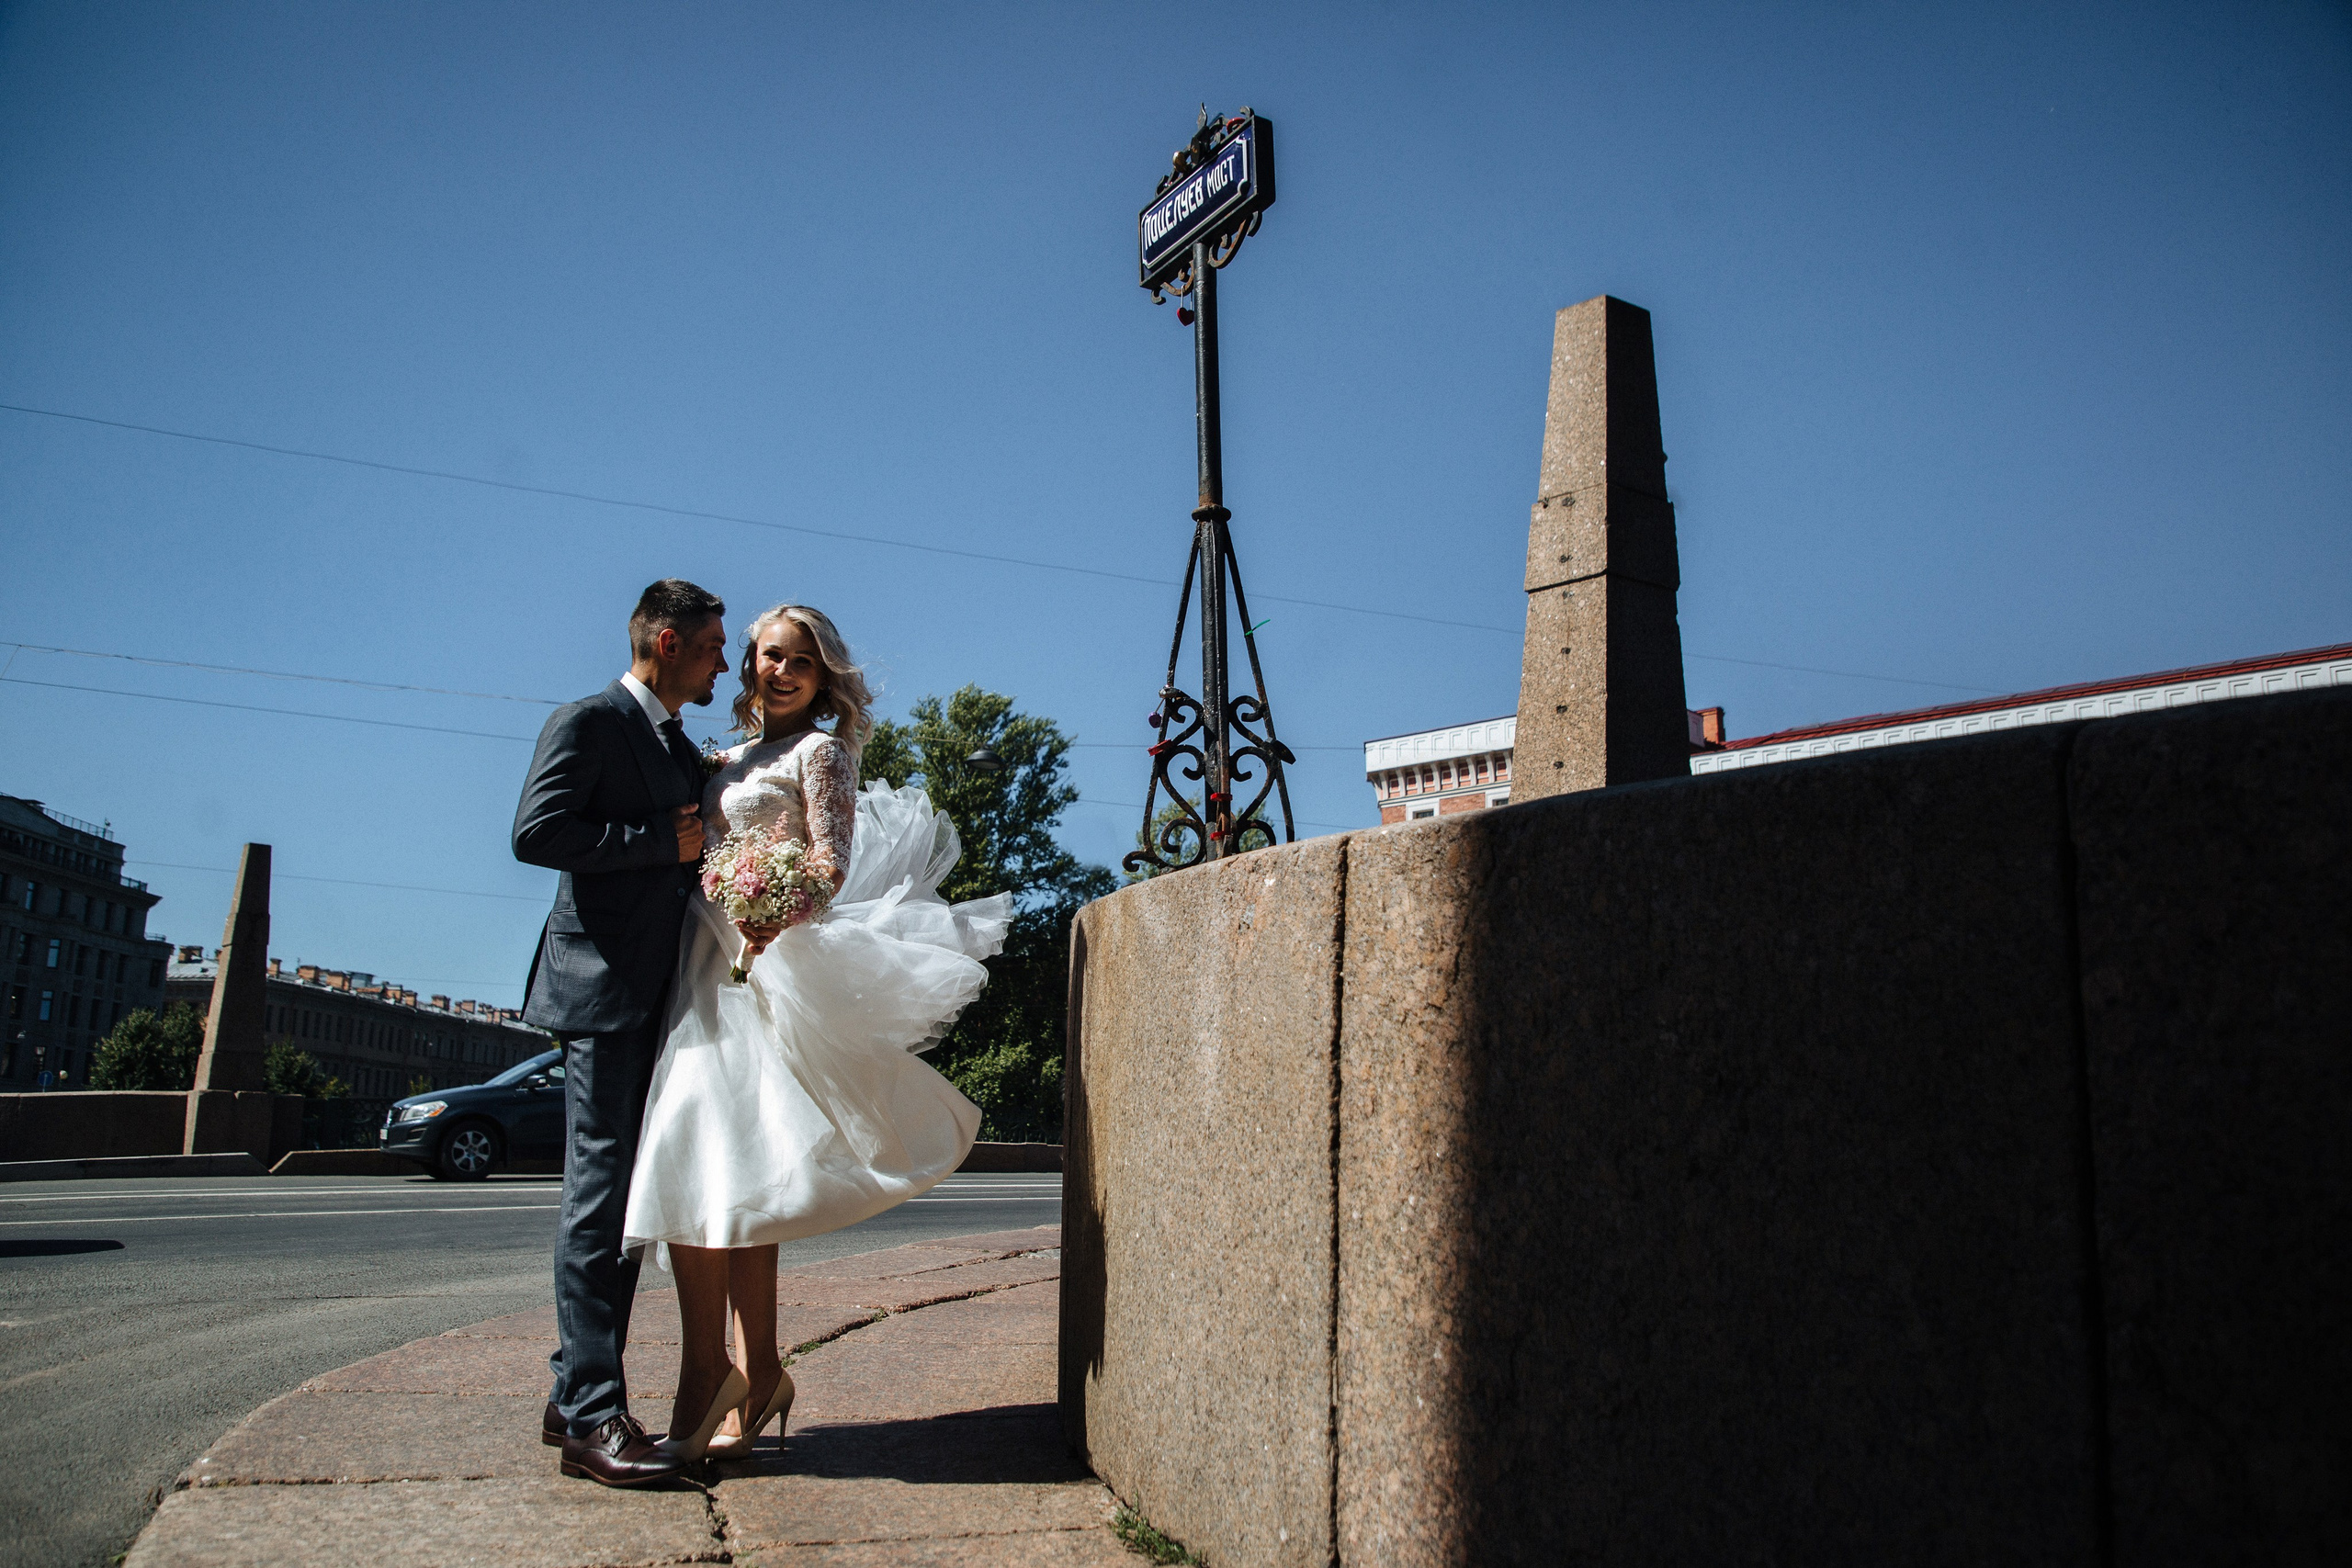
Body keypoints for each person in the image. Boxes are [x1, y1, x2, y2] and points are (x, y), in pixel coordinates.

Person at [622, 603, 1009, 1462]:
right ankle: (759, 1375)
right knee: (739, 1175)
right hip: (700, 965)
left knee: (706, 1159)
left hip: (765, 968)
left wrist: (767, 907)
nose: (781, 671)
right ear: (751, 667)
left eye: (801, 660)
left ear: (823, 674)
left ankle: (706, 1374)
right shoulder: (718, 759)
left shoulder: (819, 752)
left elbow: (829, 867)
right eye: (767, 657)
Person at [513, 579, 729, 1488]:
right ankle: (595, 1421)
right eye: (715, 645)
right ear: (669, 643)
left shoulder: (680, 746)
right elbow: (537, 831)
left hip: (661, 995)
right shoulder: (590, 720)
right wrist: (656, 839)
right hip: (600, 992)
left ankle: (571, 1391)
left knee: (629, 1200)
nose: (725, 661)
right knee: (601, 1200)